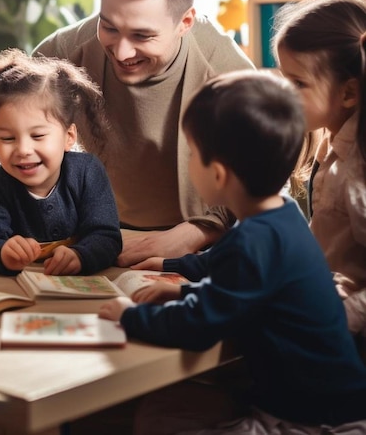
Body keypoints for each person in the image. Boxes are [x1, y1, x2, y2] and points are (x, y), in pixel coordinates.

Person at [0, 0, 254, 267]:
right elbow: (19, 127)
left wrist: (199, 231)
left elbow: (269, 168)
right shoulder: (65, 51)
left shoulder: (225, 68)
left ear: (185, 21)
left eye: (142, 35)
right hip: (91, 238)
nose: (122, 52)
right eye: (108, 26)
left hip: (196, 247)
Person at [98, 70, 366, 434]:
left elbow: (198, 326)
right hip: (326, 407)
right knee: (163, 408)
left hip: (309, 423)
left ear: (219, 175)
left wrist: (129, 316)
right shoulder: (282, 214)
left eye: (192, 154)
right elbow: (241, 285)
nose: (189, 165)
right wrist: (178, 282)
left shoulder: (253, 241)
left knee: (159, 419)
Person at [0, 48, 121, 275]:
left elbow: (106, 236)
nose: (23, 150)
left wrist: (81, 256)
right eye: (7, 138)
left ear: (69, 137)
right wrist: (3, 253)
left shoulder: (88, 172)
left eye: (38, 136)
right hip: (16, 287)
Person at [273, 0, 366, 341]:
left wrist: (338, 319)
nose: (284, 93)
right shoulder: (329, 142)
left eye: (297, 84)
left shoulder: (355, 172)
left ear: (348, 93)